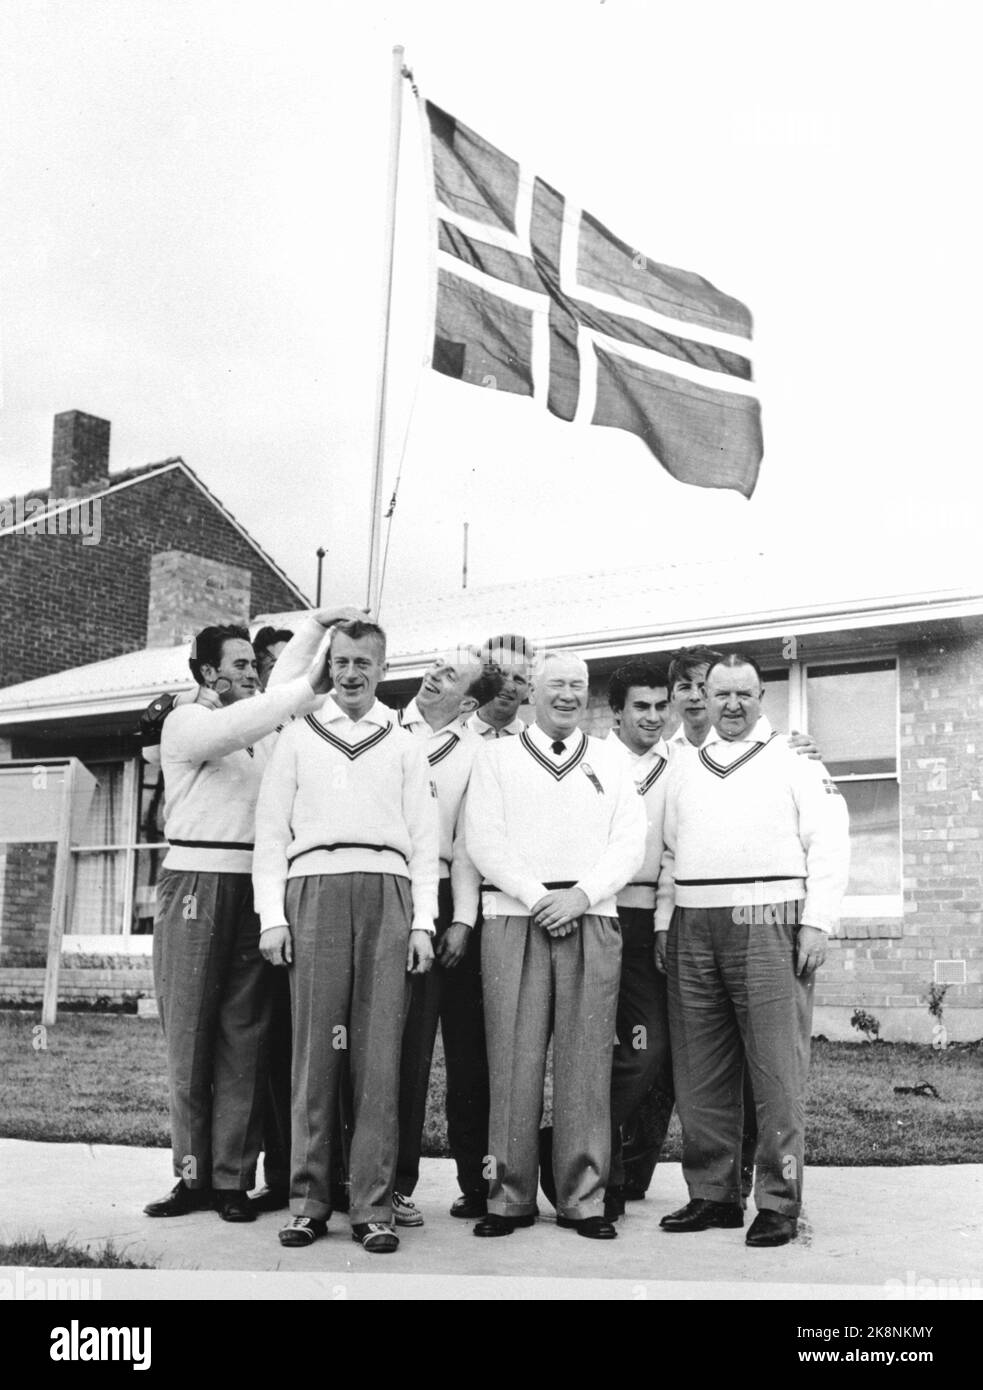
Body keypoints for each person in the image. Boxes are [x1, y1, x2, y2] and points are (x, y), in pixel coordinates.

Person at [252, 618, 440, 1254]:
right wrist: (271, 916)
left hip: (388, 893)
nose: (353, 673)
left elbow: (425, 840)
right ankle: (309, 1200)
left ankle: (372, 1205)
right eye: (342, 662)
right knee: (314, 1051)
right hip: (315, 891)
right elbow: (271, 836)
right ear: (329, 667)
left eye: (365, 662)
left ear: (384, 669)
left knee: (378, 1055)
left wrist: (422, 922)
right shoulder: (299, 737)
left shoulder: (405, 741)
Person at [655, 652, 849, 1247]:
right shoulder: (684, 765)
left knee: (775, 1070)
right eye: (721, 695)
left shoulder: (792, 758)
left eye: (744, 694)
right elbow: (669, 850)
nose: (732, 705)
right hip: (693, 920)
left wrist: (817, 921)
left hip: (769, 917)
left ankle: (779, 1200)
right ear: (704, 700)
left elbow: (831, 838)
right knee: (701, 1069)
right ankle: (713, 1194)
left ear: (761, 697)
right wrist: (665, 921)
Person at [143, 623, 332, 1223]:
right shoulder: (188, 722)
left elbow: (281, 692)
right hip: (194, 884)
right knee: (191, 1038)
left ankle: (231, 1181)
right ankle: (192, 1177)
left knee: (242, 1038)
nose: (252, 673)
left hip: (252, 884)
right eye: (240, 664)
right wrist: (298, 685)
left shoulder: (263, 724)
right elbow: (271, 703)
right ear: (205, 673)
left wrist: (320, 626)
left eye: (256, 664)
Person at [466, 650, 646, 1240]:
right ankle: (508, 1195)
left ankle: (582, 1199)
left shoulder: (613, 762)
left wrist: (581, 895)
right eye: (555, 685)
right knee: (513, 1061)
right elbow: (483, 839)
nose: (567, 695)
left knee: (586, 1062)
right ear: (532, 693)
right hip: (514, 918)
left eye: (578, 686)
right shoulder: (495, 758)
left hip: (590, 915)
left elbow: (629, 842)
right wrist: (538, 895)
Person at [392, 650, 504, 1226]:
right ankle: (391, 1182)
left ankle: (477, 1185)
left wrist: (460, 919)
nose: (435, 673)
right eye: (436, 664)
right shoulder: (384, 728)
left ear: (467, 703)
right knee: (401, 1050)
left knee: (468, 1053)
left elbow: (467, 844)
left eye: (451, 673)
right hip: (391, 895)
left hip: (449, 903)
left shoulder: (478, 754)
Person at [467, 633, 535, 738]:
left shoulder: (538, 744)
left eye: (518, 680)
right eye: (500, 675)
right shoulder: (450, 742)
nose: (509, 687)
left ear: (528, 691)